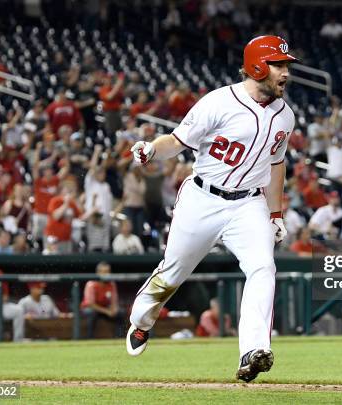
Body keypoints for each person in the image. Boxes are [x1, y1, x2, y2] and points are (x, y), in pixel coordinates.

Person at [126, 35, 297, 383]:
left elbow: (277, 164)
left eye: (285, 65)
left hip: (249, 203)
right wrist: (151, 151)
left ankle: (253, 351)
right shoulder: (218, 102)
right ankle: (141, 322)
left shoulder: (285, 116)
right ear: (257, 66)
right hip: (202, 199)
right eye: (278, 65)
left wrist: (275, 213)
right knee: (171, 274)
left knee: (263, 268)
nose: (285, 72)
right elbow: (176, 142)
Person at [80, 262, 125, 338]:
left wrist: (114, 309)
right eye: (104, 272)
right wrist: (107, 311)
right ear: (98, 273)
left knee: (120, 313)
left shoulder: (111, 283)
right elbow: (91, 304)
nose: (106, 274)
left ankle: (119, 338)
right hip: (90, 309)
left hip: (105, 308)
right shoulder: (91, 284)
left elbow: (114, 301)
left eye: (108, 272)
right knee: (92, 313)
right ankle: (89, 338)